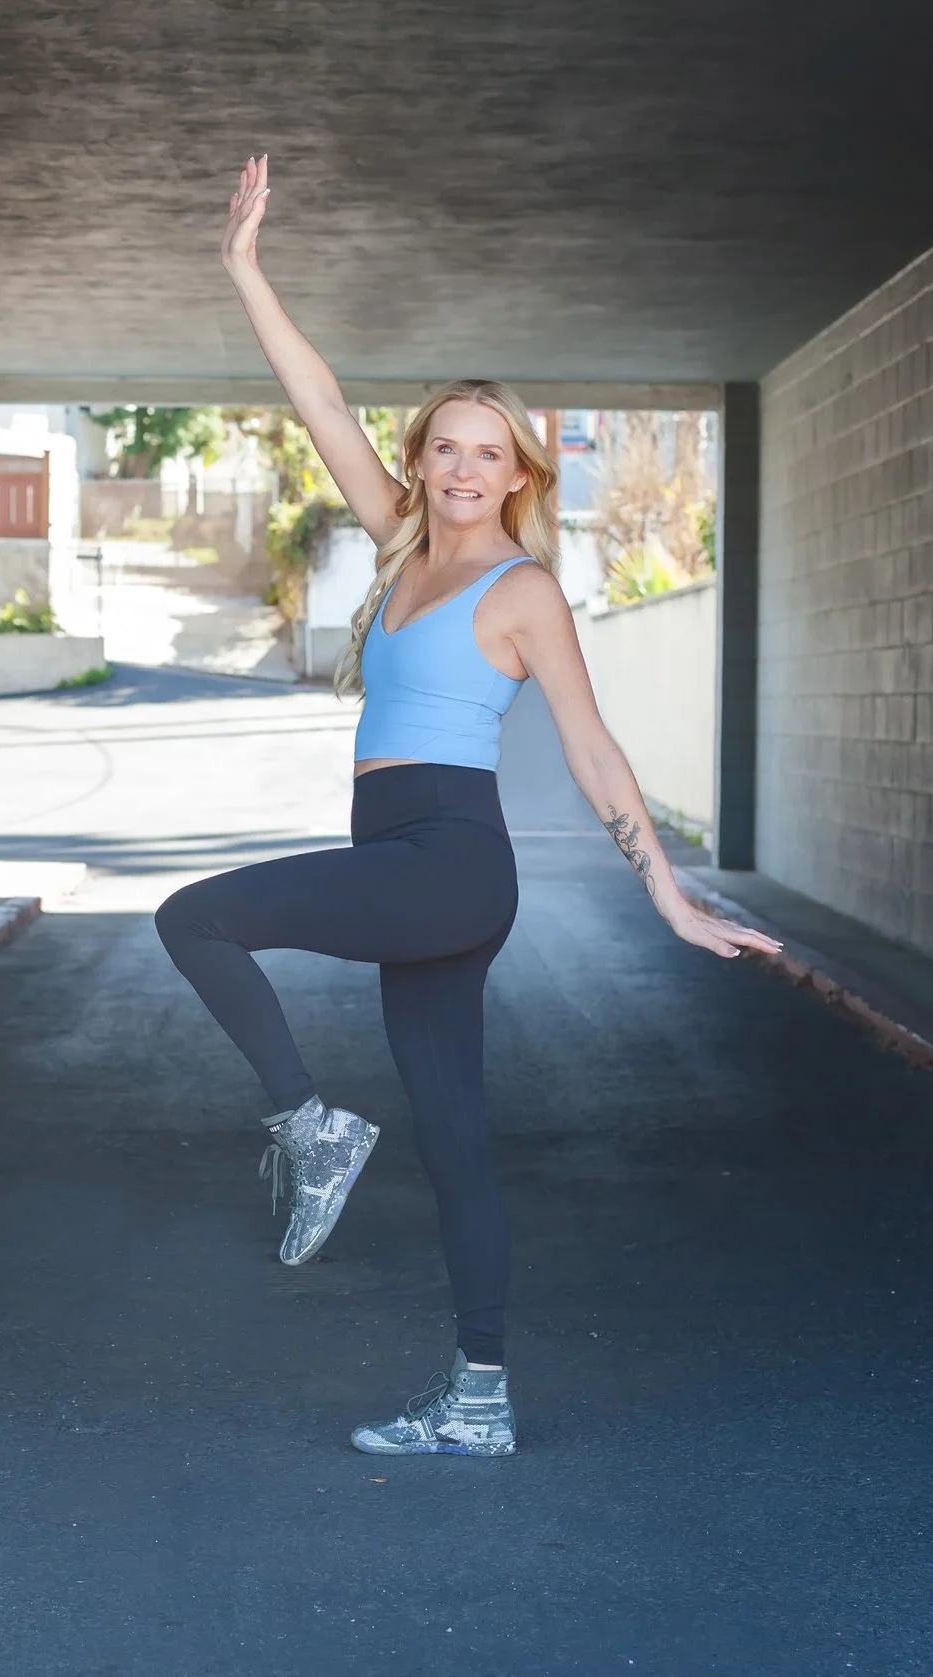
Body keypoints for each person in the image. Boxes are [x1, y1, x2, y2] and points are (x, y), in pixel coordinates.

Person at [155, 156, 785, 1457]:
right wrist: (244, 268)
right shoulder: (394, 542)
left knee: (195, 918)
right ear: (424, 458)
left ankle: (308, 1124)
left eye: (486, 454)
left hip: (449, 862)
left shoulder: (523, 590)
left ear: (516, 473)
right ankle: (482, 1397)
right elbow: (316, 396)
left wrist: (669, 891)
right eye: (444, 445)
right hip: (398, 857)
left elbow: (598, 750)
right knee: (454, 1145)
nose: (459, 468)